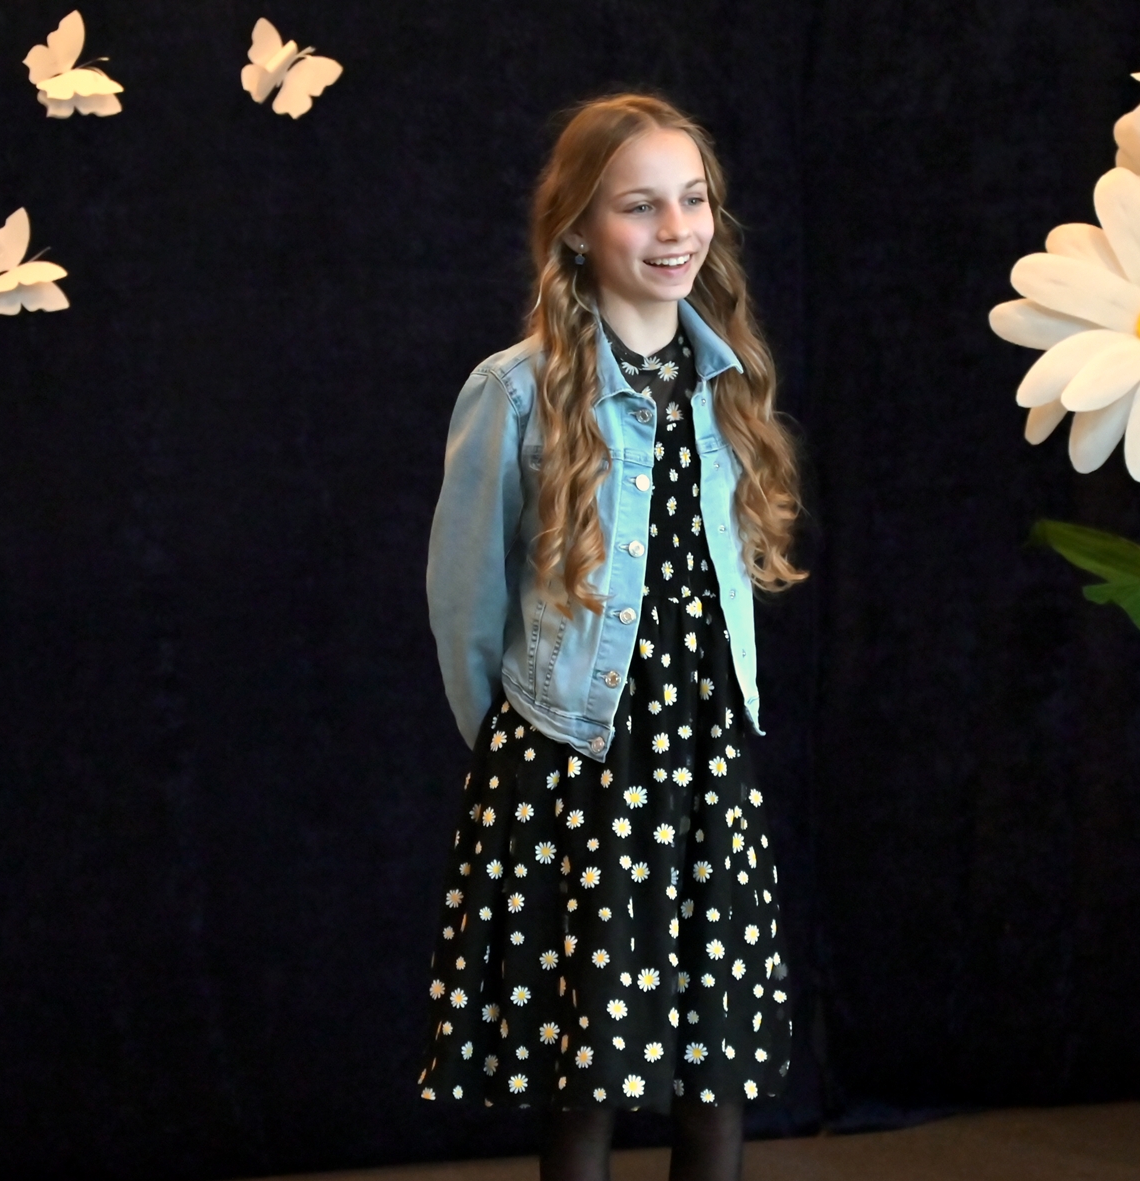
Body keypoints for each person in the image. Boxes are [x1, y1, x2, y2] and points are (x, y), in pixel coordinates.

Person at [418, 92, 807, 1181]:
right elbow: (464, 603)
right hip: (574, 759)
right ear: (580, 227)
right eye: (640, 206)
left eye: (693, 200)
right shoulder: (516, 390)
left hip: (703, 758)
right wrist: (522, 753)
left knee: (713, 1059)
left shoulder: (725, 382)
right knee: (582, 1067)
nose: (676, 229)